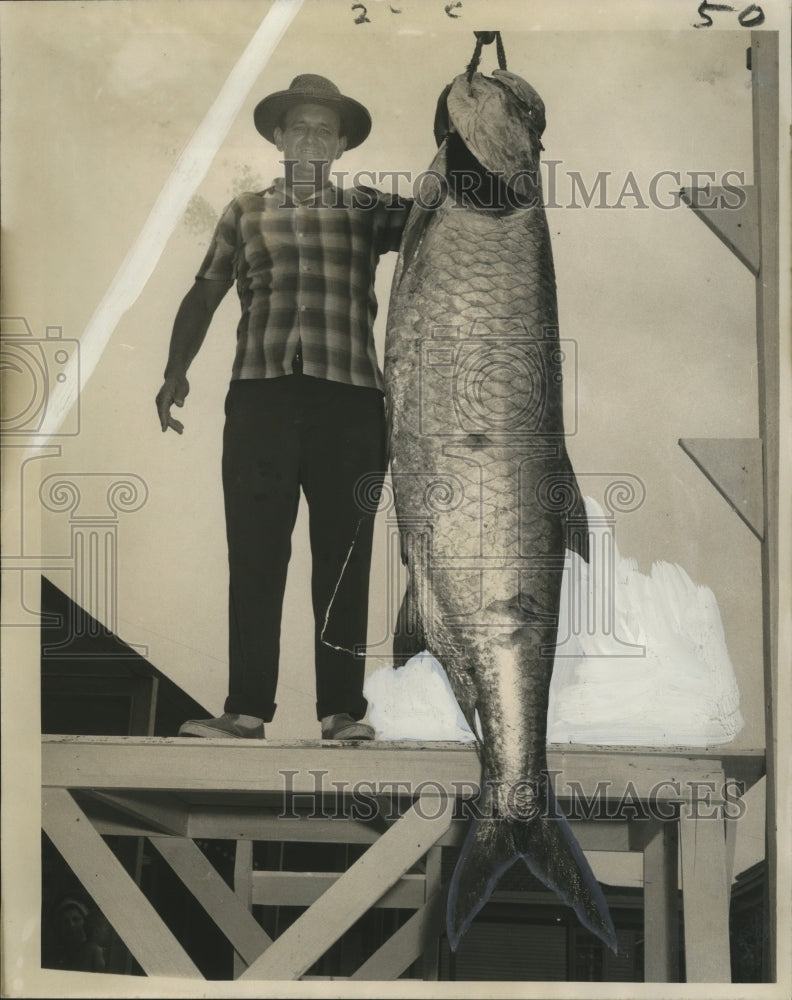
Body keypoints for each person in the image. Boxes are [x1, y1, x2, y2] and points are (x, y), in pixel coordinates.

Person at [156, 75, 411, 741]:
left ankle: (341, 713)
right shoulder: (244, 209)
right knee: (255, 553)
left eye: (325, 130)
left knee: (343, 559)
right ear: (278, 137)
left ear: (341, 145)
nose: (311, 138)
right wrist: (176, 369)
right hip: (261, 398)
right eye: (299, 127)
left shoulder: (368, 208)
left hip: (350, 401)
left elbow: (444, 217)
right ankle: (245, 711)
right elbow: (205, 291)